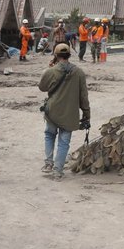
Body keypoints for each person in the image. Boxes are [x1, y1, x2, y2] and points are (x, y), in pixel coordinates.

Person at [37, 43, 90, 180]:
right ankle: (58, 171)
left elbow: (42, 87)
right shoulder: (79, 72)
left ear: (56, 55)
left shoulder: (51, 71)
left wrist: (49, 69)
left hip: (52, 112)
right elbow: (83, 96)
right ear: (69, 55)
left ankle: (48, 163)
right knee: (64, 142)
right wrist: (86, 114)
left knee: (49, 135)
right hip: (70, 114)